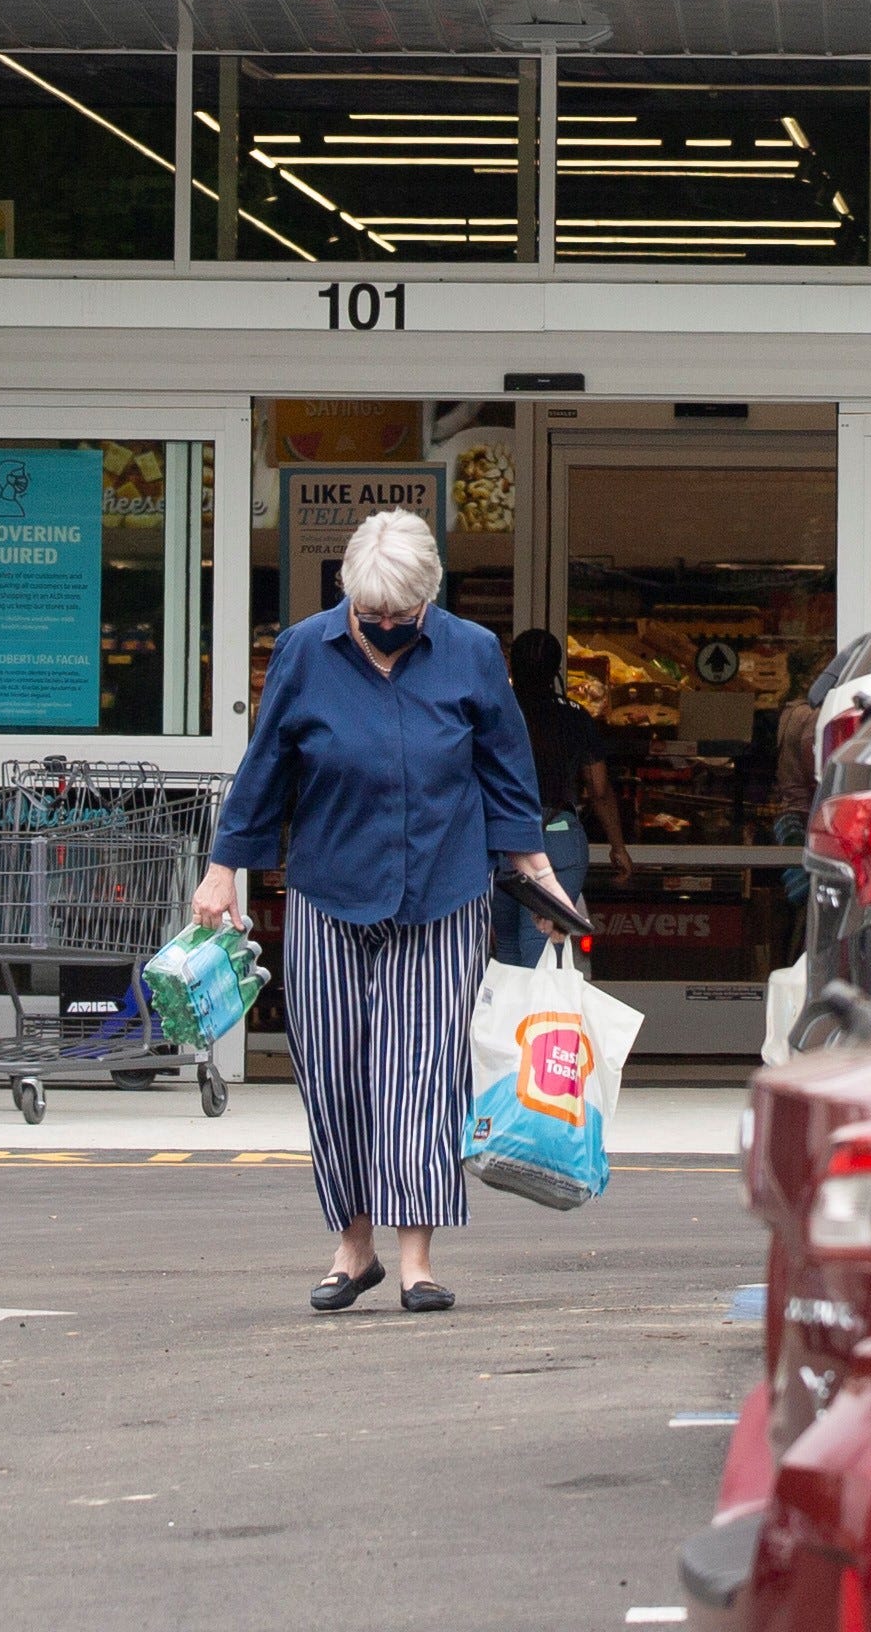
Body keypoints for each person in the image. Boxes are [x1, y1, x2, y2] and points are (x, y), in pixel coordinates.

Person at [194, 509, 585, 1316]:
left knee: (416, 1075)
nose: (384, 627)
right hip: (328, 892)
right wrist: (223, 867)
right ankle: (354, 1246)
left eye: (401, 616)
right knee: (335, 1075)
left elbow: (508, 775)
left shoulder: (473, 654)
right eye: (372, 615)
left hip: (442, 892)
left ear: (429, 596)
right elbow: (265, 763)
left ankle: (416, 1260)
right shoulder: (305, 649)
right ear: (349, 596)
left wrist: (542, 879)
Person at [495, 628, 626, 965]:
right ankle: (541, 1018)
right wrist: (618, 847)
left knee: (507, 949)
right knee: (539, 948)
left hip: (501, 838)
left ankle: (513, 1019)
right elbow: (599, 789)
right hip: (558, 836)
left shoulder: (495, 713)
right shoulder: (574, 715)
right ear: (557, 670)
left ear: (511, 668)